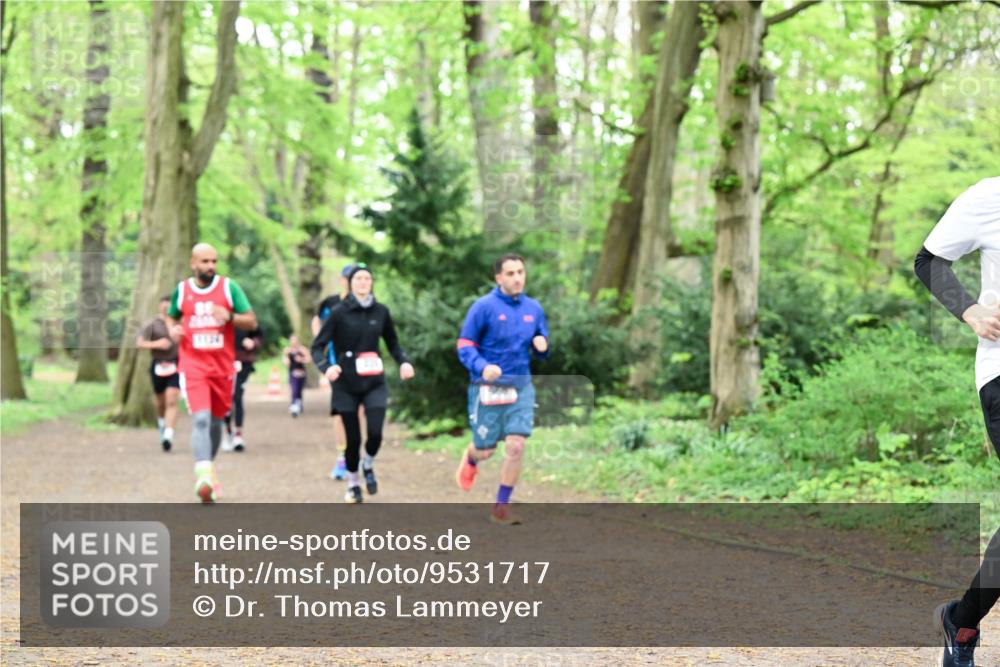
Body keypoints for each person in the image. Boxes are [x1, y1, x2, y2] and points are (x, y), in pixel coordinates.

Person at [914, 176, 1000, 667]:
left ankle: (962, 619)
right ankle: (962, 623)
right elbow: (928, 259)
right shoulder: (989, 197)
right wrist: (969, 310)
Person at [454, 253, 549, 525]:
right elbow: (464, 344)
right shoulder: (483, 307)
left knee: (516, 444)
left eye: (521, 272)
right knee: (487, 450)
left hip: (520, 386)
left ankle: (501, 507)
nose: (517, 277)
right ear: (499, 278)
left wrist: (542, 344)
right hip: (487, 387)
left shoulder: (534, 308)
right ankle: (472, 456)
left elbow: (541, 340)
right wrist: (482, 366)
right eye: (510, 273)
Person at [310, 264, 415, 503]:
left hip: (374, 382)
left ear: (372, 283)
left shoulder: (381, 311)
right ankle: (353, 484)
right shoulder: (338, 312)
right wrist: (327, 368)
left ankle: (368, 464)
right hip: (345, 383)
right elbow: (317, 346)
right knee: (353, 439)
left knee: (376, 433)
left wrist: (404, 362)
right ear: (350, 283)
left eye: (367, 278)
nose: (363, 282)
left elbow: (393, 344)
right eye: (358, 278)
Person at [167, 243, 257, 503]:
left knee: (217, 422)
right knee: (201, 420)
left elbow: (251, 320)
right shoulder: (182, 290)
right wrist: (173, 330)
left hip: (222, 367)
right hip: (193, 365)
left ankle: (209, 471)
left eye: (214, 261)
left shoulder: (229, 288)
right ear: (193, 263)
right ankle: (203, 474)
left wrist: (229, 316)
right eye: (205, 261)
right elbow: (172, 318)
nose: (210, 266)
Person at [312, 263, 362, 480]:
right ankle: (343, 456)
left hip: (362, 367)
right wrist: (320, 342)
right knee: (342, 411)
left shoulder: (369, 304)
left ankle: (355, 455)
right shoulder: (331, 303)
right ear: (343, 280)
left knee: (359, 411)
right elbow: (317, 321)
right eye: (350, 278)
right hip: (337, 366)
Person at [136, 295, 180, 452]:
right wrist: (157, 344)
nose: (166, 309)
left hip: (177, 365)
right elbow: (139, 343)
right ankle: (162, 425)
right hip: (158, 365)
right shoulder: (152, 324)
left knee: (172, 400)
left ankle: (169, 435)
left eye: (169, 306)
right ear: (159, 307)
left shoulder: (179, 322)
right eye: (163, 306)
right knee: (160, 402)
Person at [222, 325, 263, 452]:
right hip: (222, 362)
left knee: (237, 396)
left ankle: (238, 435)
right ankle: (229, 433)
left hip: (242, 362)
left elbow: (259, 334)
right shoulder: (219, 316)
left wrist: (254, 343)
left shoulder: (246, 315)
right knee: (225, 399)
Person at [283, 333, 309, 417]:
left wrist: (301, 359)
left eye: (295, 340)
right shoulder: (288, 350)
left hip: (301, 373)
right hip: (293, 372)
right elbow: (285, 360)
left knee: (299, 390)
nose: (293, 342)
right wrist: (286, 361)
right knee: (294, 389)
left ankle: (299, 404)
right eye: (292, 340)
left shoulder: (302, 349)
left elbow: (308, 359)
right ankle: (294, 406)